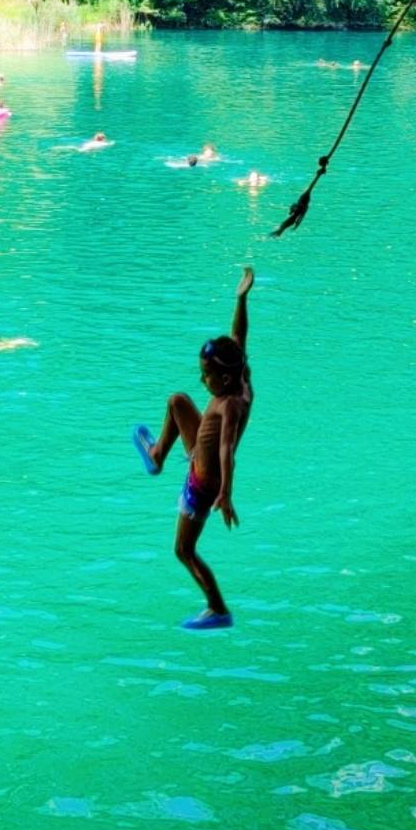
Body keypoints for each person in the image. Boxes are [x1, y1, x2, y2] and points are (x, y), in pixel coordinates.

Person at [134, 268, 255, 630]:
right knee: (177, 401)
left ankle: (218, 609)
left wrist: (225, 494)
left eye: (207, 375)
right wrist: (241, 298)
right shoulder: (240, 374)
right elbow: (238, 336)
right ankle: (156, 457)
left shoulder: (231, 405)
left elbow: (227, 449)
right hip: (197, 451)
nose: (203, 379)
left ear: (226, 378)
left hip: (204, 482)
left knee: (183, 550)